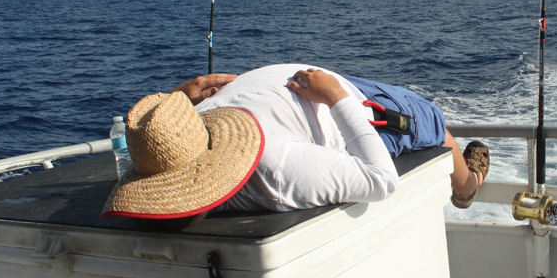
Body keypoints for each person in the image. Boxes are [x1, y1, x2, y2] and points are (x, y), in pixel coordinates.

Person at [101, 64, 489, 222]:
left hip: (299, 85)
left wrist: (178, 102)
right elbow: (380, 180)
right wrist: (335, 96)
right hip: (340, 97)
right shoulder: (276, 170)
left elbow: (164, 142)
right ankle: (467, 186)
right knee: (435, 125)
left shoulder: (173, 132)